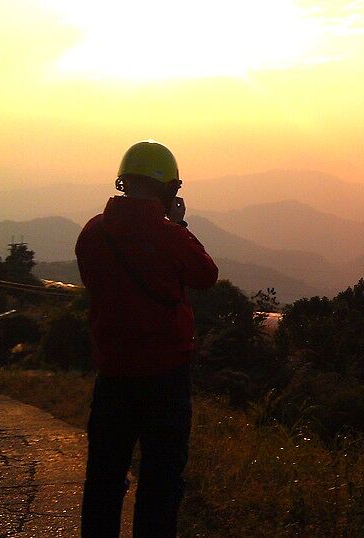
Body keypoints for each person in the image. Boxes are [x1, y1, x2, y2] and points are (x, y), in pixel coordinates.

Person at [76, 140, 218, 537]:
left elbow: (92, 281)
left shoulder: (93, 232)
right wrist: (178, 226)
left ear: (123, 181)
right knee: (160, 482)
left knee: (104, 479)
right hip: (165, 378)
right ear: (168, 188)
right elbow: (206, 276)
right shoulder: (170, 236)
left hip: (113, 375)